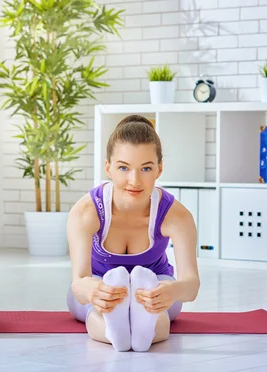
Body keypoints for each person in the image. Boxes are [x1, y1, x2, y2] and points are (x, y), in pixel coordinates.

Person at [66, 115, 200, 352]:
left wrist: (172, 291)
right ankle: (117, 330)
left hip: (155, 285)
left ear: (159, 168)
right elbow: (79, 281)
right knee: (93, 305)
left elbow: (191, 285)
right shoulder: (86, 212)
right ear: (108, 167)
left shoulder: (176, 216)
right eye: (123, 167)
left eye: (146, 168)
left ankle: (141, 331)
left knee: (157, 306)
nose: (134, 180)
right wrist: (93, 291)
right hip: (99, 283)